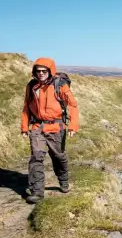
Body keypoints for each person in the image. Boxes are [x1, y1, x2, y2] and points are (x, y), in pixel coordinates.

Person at [21, 58, 79, 204]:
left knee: (58, 156)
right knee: (36, 157)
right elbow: (26, 107)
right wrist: (24, 127)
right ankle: (37, 192)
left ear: (50, 71)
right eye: (38, 71)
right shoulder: (32, 86)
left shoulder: (60, 85)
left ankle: (63, 181)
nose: (40, 74)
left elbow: (73, 105)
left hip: (56, 126)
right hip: (37, 127)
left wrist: (73, 126)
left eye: (44, 71)